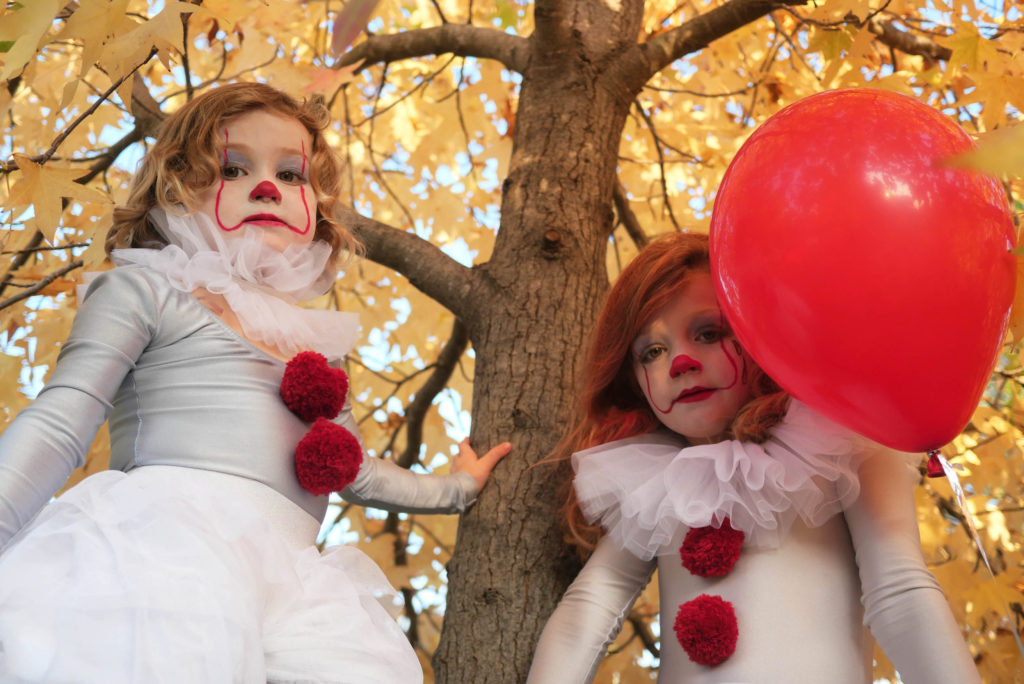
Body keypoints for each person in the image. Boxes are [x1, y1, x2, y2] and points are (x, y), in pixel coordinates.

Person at [0, 82, 510, 684]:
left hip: (296, 585)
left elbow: (355, 474)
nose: (266, 187)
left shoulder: (315, 348)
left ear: (315, 206)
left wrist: (458, 488)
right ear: (177, 185)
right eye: (234, 167)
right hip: (170, 547)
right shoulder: (149, 291)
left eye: (291, 174)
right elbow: (62, 422)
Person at [527, 233, 979, 683]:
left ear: (758, 332)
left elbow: (900, 592)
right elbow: (588, 608)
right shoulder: (651, 488)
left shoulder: (840, 441)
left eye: (708, 332)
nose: (680, 362)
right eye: (653, 352)